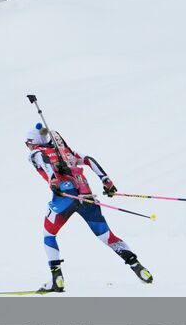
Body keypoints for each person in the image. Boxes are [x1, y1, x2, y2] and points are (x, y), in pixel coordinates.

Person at [26, 123, 152, 292]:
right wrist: (106, 180)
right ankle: (138, 267)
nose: (27, 147)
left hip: (65, 198)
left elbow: (45, 160)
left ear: (34, 142)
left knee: (49, 234)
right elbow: (88, 159)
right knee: (107, 236)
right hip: (86, 196)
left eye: (28, 143)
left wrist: (53, 180)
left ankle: (57, 279)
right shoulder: (67, 152)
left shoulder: (35, 153)